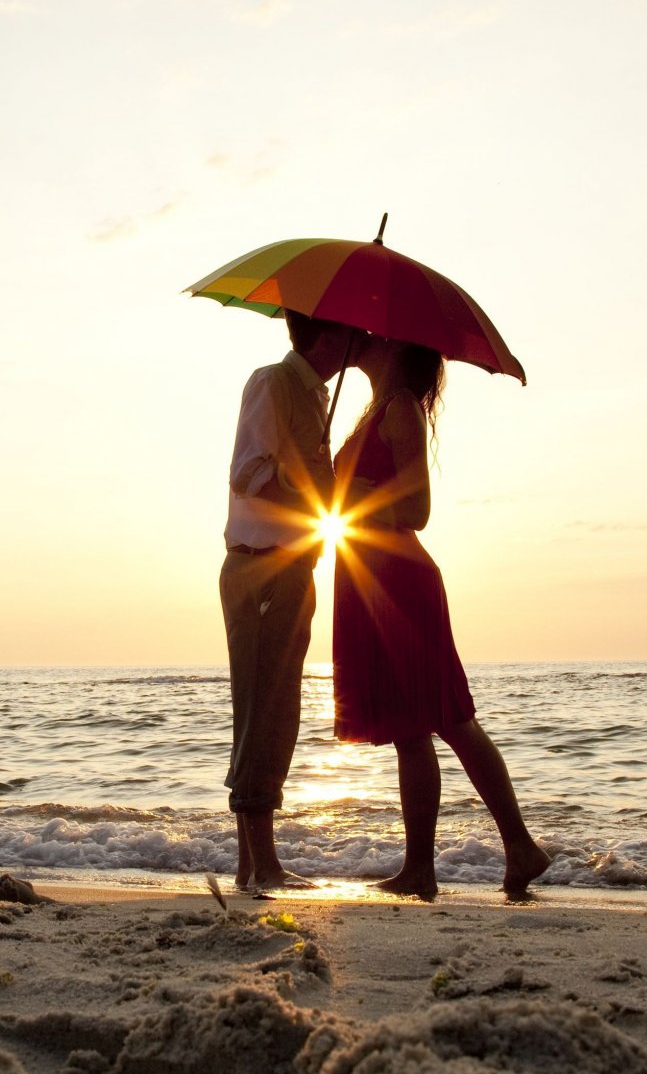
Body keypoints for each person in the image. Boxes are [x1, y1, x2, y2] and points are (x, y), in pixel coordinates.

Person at [330, 333, 551, 901]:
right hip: (368, 577)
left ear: (396, 348)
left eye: (375, 337)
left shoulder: (400, 406)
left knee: (448, 717)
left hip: (398, 580)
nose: (362, 340)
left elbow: (417, 510)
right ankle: (421, 869)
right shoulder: (373, 409)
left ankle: (518, 847)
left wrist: (354, 490)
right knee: (409, 729)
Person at [220, 310, 356, 892]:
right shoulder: (273, 382)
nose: (359, 341)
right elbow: (248, 472)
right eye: (350, 332)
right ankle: (260, 864)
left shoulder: (315, 396)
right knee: (262, 710)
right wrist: (313, 501)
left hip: (292, 567)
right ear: (326, 334)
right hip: (260, 567)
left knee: (281, 711)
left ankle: (255, 865)